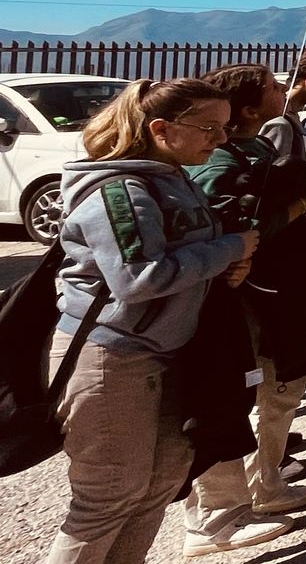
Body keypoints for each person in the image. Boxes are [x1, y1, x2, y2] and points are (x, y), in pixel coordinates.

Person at [45, 78, 264, 564]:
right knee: (105, 499)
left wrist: (224, 266)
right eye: (209, 128)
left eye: (225, 128)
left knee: (158, 484)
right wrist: (230, 249)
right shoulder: (118, 188)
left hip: (165, 355)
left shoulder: (172, 175)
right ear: (162, 129)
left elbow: (177, 254)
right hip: (113, 358)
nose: (221, 139)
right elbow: (137, 278)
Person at [178, 65, 306, 553]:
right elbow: (220, 227)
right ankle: (214, 517)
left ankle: (266, 486)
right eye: (274, 88)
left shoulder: (251, 150)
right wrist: (297, 209)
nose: (285, 91)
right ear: (248, 108)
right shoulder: (219, 163)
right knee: (233, 398)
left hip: (273, 290)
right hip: (243, 298)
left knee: (278, 389)